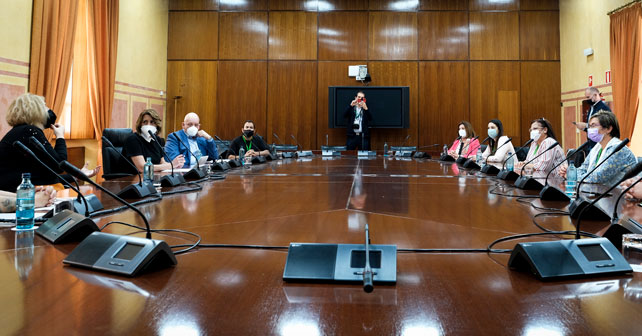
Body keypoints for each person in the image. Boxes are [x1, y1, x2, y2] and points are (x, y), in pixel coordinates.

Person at [0, 93, 100, 191]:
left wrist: (77, 175)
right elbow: (59, 165)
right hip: (22, 197)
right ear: (35, 111)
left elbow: (48, 174)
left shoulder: (21, 132)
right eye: (45, 106)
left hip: (19, 192)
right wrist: (60, 136)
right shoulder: (29, 131)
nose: (49, 110)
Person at [560, 110, 636, 185]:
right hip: (601, 192)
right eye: (589, 126)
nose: (589, 130)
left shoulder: (619, 149)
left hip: (622, 195)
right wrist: (571, 172)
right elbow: (583, 168)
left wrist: (572, 176)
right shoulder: (597, 148)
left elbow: (598, 178)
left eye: (593, 126)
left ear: (608, 129)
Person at [121, 109, 184, 173]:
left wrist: (176, 165)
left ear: (157, 125)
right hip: (131, 179)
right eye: (145, 122)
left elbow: (162, 162)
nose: (148, 125)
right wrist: (171, 165)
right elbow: (142, 168)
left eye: (152, 122)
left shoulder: (157, 140)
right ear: (140, 124)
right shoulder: (133, 140)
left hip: (152, 176)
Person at [573, 87, 612, 162]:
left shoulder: (603, 108)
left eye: (588, 97)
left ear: (595, 95)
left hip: (600, 144)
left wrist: (586, 125)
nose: (587, 99)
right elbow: (592, 127)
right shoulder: (591, 108)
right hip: (591, 143)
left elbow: (603, 126)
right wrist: (584, 128)